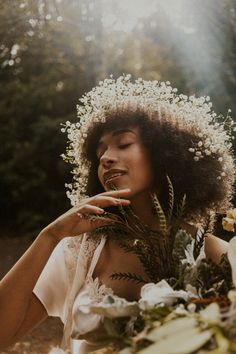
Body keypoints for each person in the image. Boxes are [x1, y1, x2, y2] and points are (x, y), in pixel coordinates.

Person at [0, 75, 235, 353]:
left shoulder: (217, 257)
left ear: (164, 153)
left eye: (123, 143)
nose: (105, 157)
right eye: (99, 151)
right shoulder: (79, 252)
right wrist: (49, 236)